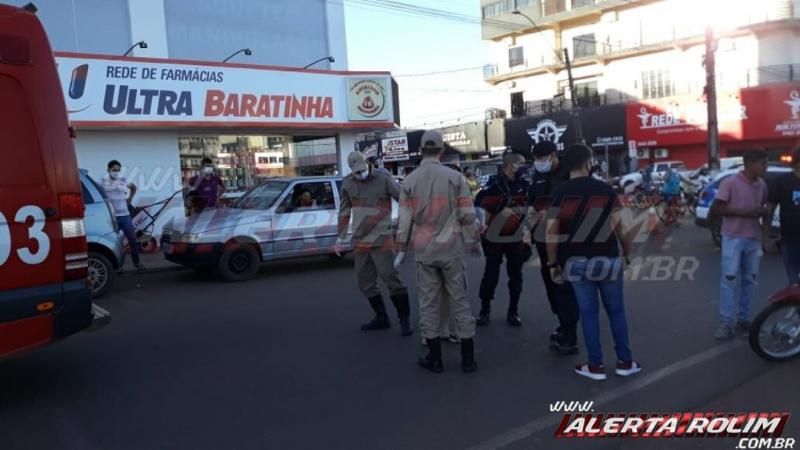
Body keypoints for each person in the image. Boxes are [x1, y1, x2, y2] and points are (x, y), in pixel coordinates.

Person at [545, 144, 640, 381]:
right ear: (588, 163)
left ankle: (595, 366)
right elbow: (622, 225)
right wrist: (628, 253)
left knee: (588, 314)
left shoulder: (559, 193)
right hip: (607, 257)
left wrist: (552, 263)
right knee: (616, 311)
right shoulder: (606, 190)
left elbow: (551, 232)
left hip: (576, 262)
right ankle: (625, 362)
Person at [396, 130, 482, 373]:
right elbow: (467, 215)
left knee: (428, 303)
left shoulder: (409, 181)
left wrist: (402, 247)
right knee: (460, 300)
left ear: (421, 150)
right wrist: (473, 241)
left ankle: (435, 359)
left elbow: (404, 220)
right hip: (452, 247)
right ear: (442, 150)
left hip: (424, 250)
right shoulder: (455, 178)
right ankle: (468, 359)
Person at [336, 151, 412, 336]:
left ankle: (404, 320)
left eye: (362, 170)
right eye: (356, 172)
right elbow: (344, 210)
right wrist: (340, 237)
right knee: (366, 283)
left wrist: (407, 224)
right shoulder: (347, 183)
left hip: (381, 238)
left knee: (391, 278)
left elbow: (402, 200)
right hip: (360, 239)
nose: (360, 174)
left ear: (367, 164)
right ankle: (381, 317)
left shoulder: (383, 179)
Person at [710, 150, 770, 340]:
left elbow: (763, 209)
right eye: (762, 163)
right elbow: (717, 208)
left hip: (753, 238)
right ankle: (725, 323)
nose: (765, 167)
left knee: (750, 280)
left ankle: (743, 320)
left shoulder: (762, 185)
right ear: (749, 163)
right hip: (733, 238)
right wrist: (745, 213)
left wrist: (765, 234)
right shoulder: (730, 183)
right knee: (729, 280)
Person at [529, 141, 580, 355]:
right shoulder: (539, 176)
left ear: (552, 155)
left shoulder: (569, 176)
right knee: (552, 287)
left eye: (542, 158)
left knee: (564, 288)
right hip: (542, 240)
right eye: (536, 160)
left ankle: (570, 336)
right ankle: (562, 325)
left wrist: (550, 214)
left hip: (563, 242)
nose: (539, 163)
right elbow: (533, 201)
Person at [474, 152, 531, 327]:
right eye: (521, 163)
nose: (524, 167)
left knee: (516, 275)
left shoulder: (525, 185)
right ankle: (485, 310)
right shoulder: (493, 185)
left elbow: (531, 209)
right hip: (494, 237)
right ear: (510, 165)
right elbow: (479, 209)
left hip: (516, 237)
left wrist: (528, 232)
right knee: (490, 274)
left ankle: (513, 311)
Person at [102, 160, 145, 271]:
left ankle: (137, 264)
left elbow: (133, 187)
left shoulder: (123, 180)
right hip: (112, 218)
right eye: (113, 170)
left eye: (118, 170)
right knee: (115, 244)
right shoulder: (102, 181)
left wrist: (129, 200)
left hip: (125, 216)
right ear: (108, 170)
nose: (116, 172)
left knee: (133, 241)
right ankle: (118, 267)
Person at [767, 148, 800, 284]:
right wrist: (766, 237)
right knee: (794, 283)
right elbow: (769, 209)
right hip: (790, 240)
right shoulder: (781, 181)